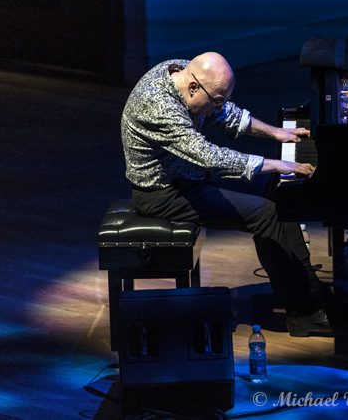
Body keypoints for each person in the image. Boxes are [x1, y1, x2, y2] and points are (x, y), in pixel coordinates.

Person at [120, 51, 331, 337]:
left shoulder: (182, 71)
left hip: (190, 177)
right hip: (163, 193)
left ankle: (311, 293)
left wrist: (276, 133)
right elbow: (209, 156)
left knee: (280, 193)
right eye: (216, 99)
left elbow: (225, 113)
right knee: (266, 213)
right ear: (194, 87)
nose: (217, 106)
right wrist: (276, 163)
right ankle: (304, 315)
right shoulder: (157, 105)